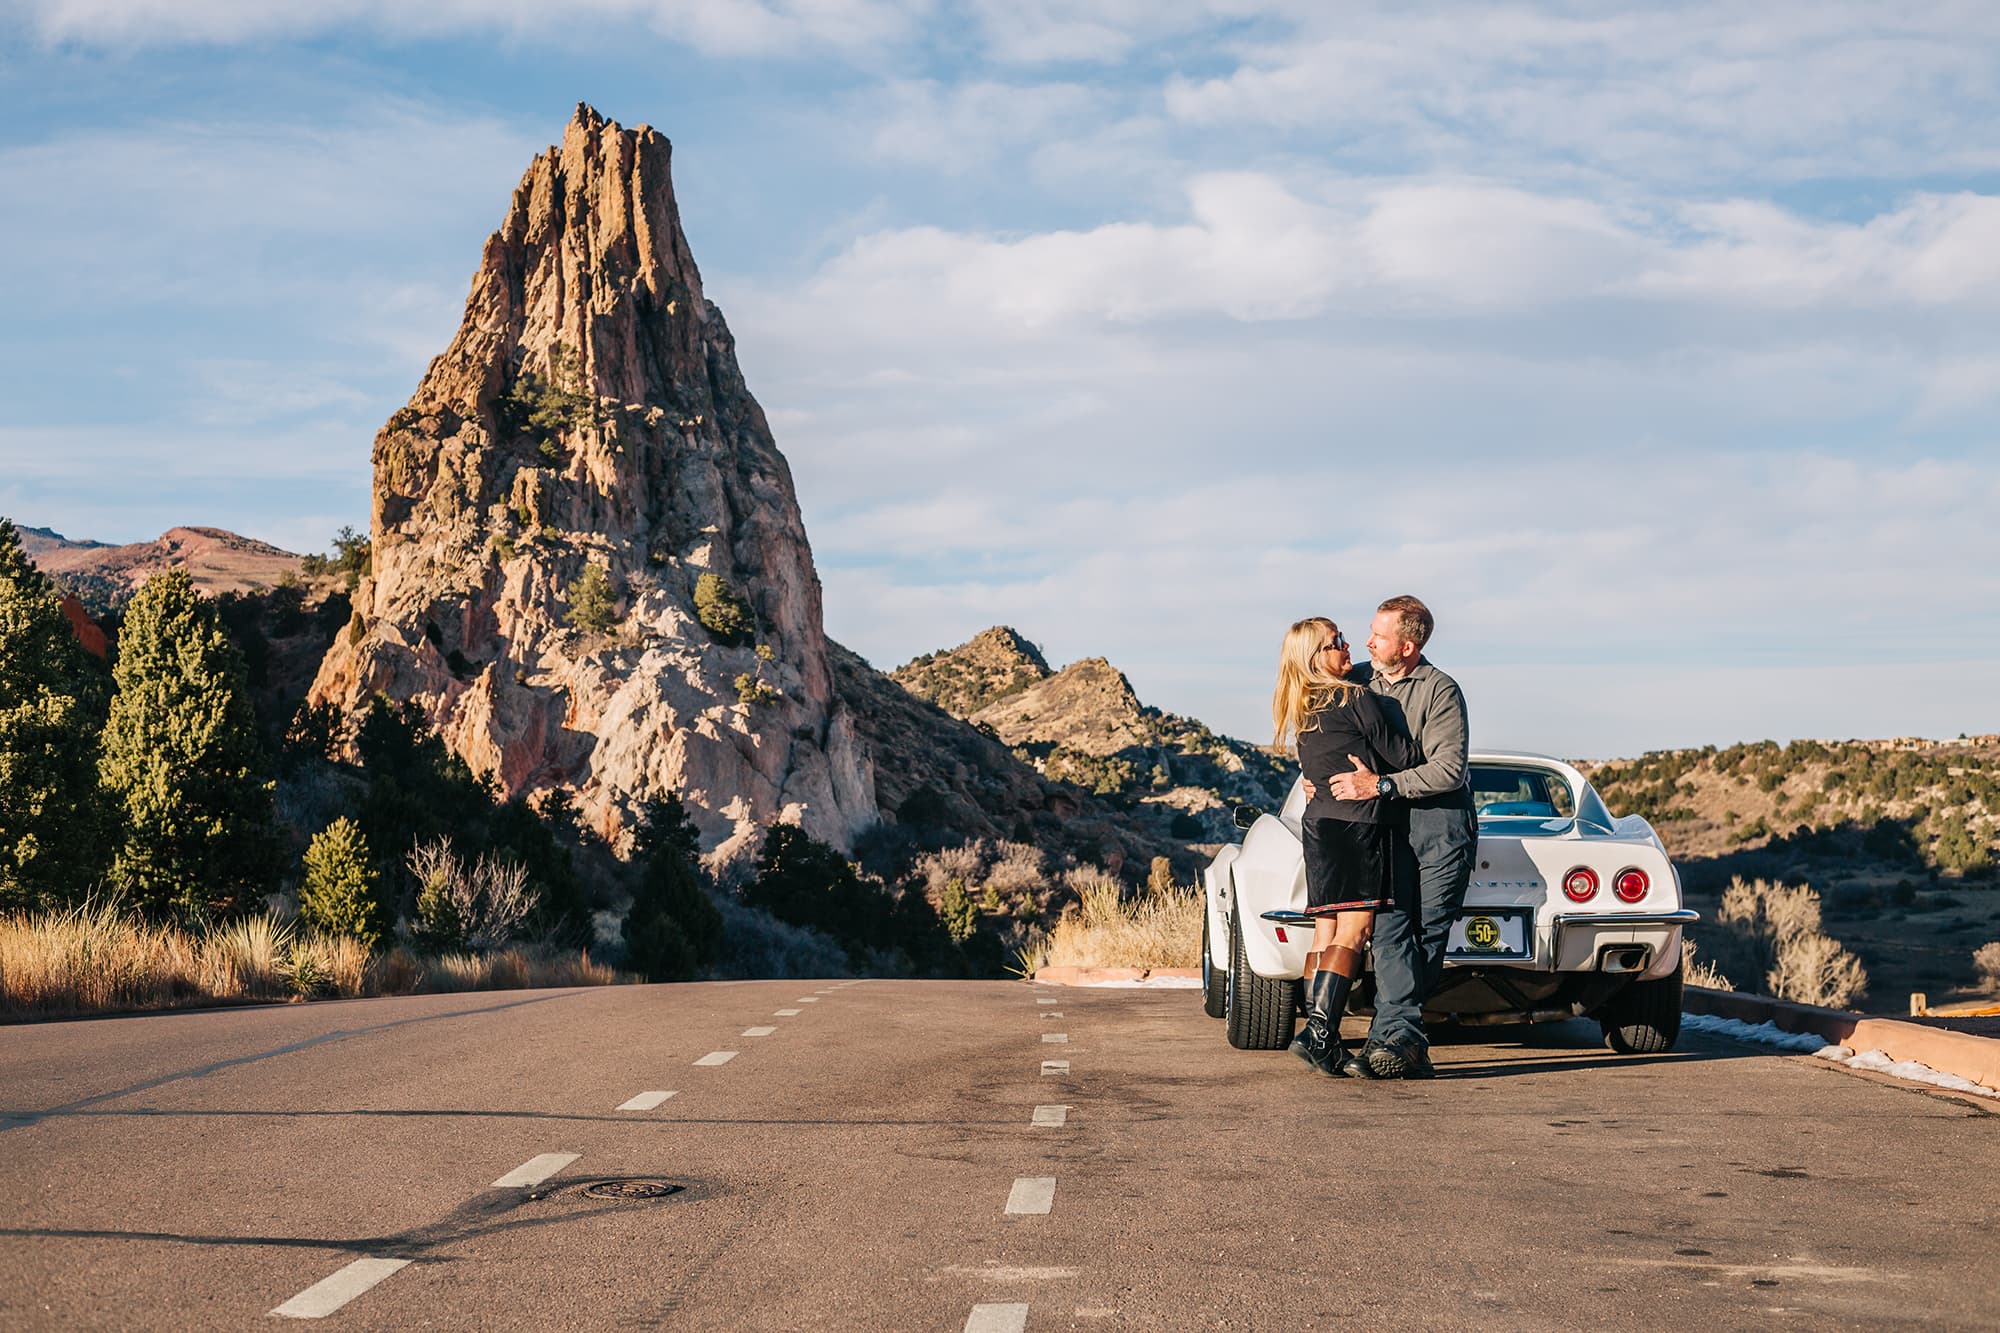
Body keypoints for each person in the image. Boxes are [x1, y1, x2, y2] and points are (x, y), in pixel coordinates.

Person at [1312, 594, 1473, 1080]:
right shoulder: (1356, 678)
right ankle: (1398, 1042)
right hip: (1380, 829)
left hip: (1439, 830)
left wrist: (1381, 784)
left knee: (1425, 937)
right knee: (1388, 932)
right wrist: (1313, 774)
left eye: (1378, 636)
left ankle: (1396, 1037)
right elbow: (1321, 726)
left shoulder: (1441, 691)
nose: (1366, 642)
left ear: (1406, 646)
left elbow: (1450, 769)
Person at [1270, 617, 1421, 1077]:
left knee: (1325, 933)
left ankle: (1323, 1037)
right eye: (1337, 642)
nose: (1347, 646)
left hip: (1319, 829)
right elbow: (1405, 757)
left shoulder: (1304, 708)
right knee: (1354, 933)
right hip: (1356, 825)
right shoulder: (1354, 696)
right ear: (1317, 656)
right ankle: (1319, 1033)